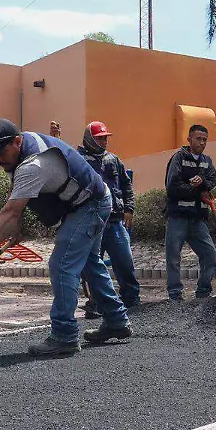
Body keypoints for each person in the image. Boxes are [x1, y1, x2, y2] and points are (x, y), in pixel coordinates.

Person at [0, 118, 130, 356]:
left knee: (62, 265)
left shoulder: (32, 165)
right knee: (89, 264)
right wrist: (15, 230)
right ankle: (117, 320)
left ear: (17, 142)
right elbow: (14, 196)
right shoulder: (21, 150)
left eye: (0, 152)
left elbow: (10, 211)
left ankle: (64, 334)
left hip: (90, 205)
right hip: (92, 199)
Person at [78, 121, 140, 310]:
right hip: (91, 221)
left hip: (115, 221)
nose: (104, 141)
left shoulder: (113, 159)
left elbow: (126, 185)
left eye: (106, 138)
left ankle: (131, 299)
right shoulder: (79, 159)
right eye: (100, 138)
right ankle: (95, 302)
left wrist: (129, 208)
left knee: (124, 262)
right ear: (89, 139)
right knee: (91, 267)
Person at [164, 124, 216, 300]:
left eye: (204, 140)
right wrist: (195, 190)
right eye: (198, 139)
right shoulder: (178, 158)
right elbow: (172, 186)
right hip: (178, 216)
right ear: (189, 139)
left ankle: (203, 291)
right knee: (173, 257)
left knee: (209, 254)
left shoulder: (207, 161)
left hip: (198, 218)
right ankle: (175, 294)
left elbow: (212, 181)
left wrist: (202, 181)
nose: (202, 143)